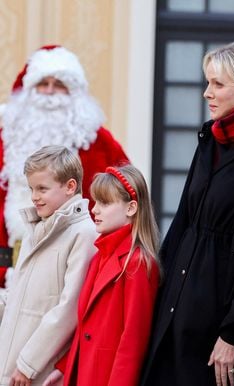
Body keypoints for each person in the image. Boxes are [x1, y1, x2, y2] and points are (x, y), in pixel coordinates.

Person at [139, 41, 234, 386]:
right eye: (208, 82)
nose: (207, 93)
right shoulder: (211, 138)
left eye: (218, 84)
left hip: (218, 319)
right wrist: (156, 290)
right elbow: (183, 221)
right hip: (177, 302)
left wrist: (233, 332)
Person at [0, 45, 129, 288]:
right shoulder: (6, 135)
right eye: (42, 83)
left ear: (74, 93)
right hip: (8, 267)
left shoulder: (98, 142)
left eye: (59, 84)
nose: (49, 93)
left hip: (72, 269)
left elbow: (126, 198)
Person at [43, 164, 160, 386]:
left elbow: (133, 342)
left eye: (104, 203)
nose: (94, 209)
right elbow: (87, 327)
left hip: (106, 376)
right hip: (84, 372)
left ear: (131, 208)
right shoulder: (100, 256)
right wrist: (66, 367)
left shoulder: (138, 264)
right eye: (95, 201)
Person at [0, 145, 97, 386]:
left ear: (70, 186)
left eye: (42, 188)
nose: (34, 196)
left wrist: (28, 364)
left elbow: (69, 308)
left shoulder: (84, 234)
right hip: (11, 363)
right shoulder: (36, 228)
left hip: (38, 372)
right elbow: (18, 296)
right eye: (32, 188)